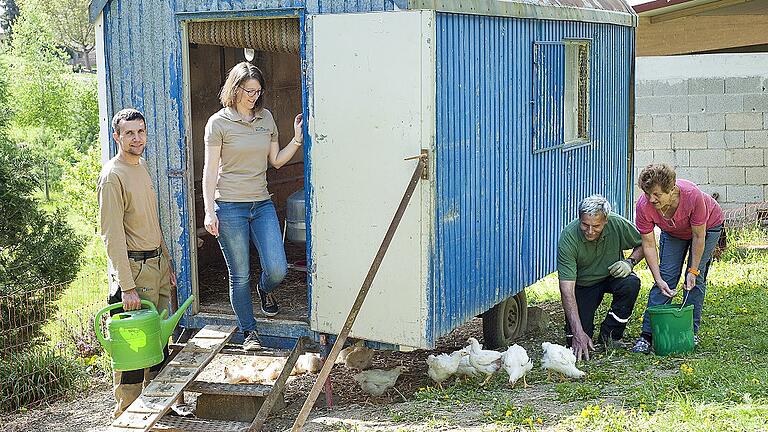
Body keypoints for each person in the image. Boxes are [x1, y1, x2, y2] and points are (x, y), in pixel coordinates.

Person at [202, 62, 303, 351]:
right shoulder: (218, 123)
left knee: (278, 269)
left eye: (258, 92)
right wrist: (210, 210)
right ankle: (250, 333)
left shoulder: (266, 118)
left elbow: (277, 161)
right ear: (234, 89)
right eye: (249, 91)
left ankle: (265, 289)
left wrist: (296, 139)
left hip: (261, 203)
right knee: (240, 274)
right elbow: (210, 171)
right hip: (229, 206)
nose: (254, 97)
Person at [98, 108, 177, 418]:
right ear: (117, 136)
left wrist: (166, 261)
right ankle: (127, 414)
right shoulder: (113, 176)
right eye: (129, 133)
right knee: (134, 349)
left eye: (141, 132)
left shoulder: (141, 166)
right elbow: (112, 235)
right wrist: (127, 287)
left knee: (158, 342)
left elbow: (152, 222)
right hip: (135, 270)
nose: (136, 138)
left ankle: (158, 410)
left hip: (156, 266)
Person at [630, 164, 724, 354]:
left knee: (694, 281)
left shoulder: (692, 196)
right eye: (647, 193)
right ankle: (647, 335)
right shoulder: (644, 206)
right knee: (666, 276)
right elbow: (648, 244)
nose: (651, 199)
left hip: (708, 227)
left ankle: (690, 331)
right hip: (673, 232)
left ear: (671, 189)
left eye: (656, 194)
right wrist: (657, 278)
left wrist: (693, 270)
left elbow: (699, 237)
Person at [557, 194, 644, 361]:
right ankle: (580, 333)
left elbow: (644, 243)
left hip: (612, 275)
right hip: (584, 283)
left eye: (596, 226)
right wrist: (578, 333)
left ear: (606, 220)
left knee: (631, 283)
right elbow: (566, 290)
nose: (590, 231)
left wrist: (629, 262)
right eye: (585, 225)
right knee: (574, 342)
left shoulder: (617, 223)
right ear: (579, 219)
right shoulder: (568, 238)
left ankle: (611, 335)